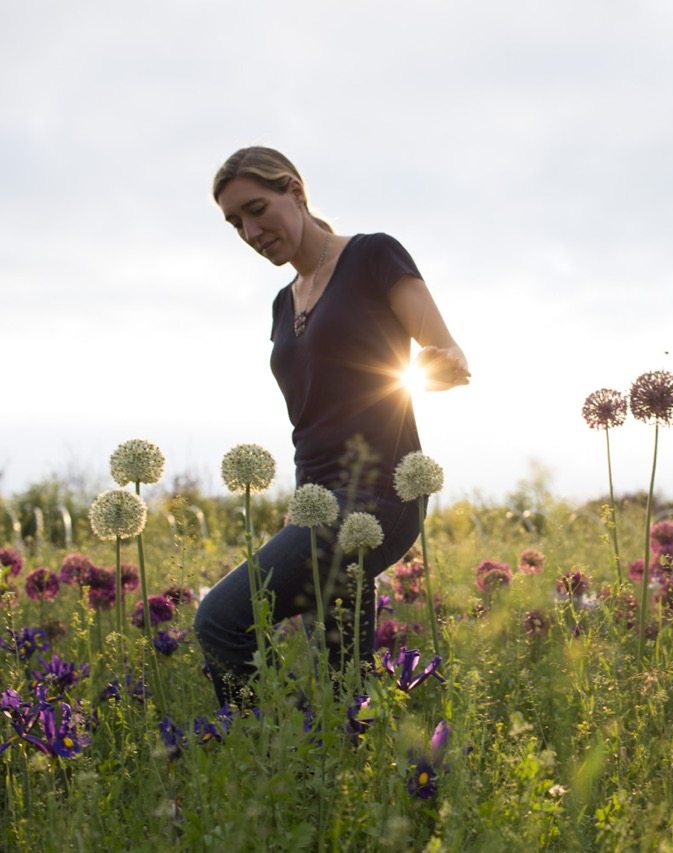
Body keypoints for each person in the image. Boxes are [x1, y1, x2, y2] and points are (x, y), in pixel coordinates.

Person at [193, 146, 468, 707]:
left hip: (376, 496)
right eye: (235, 222)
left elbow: (445, 353)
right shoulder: (281, 303)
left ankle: (266, 748)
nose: (249, 231)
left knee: (219, 622)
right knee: (345, 686)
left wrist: (437, 364)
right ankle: (329, 757)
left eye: (256, 208)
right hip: (315, 501)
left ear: (295, 191)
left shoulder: (372, 256)